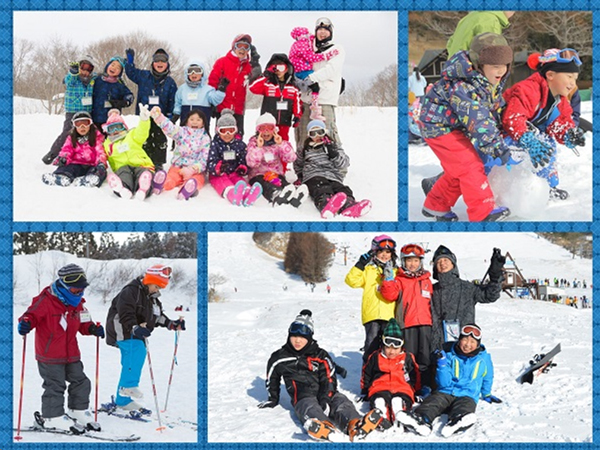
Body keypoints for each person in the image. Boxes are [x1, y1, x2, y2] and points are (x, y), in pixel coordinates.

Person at [419, 32, 516, 222]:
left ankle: (435, 206)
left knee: (457, 170)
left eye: (505, 66)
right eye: (495, 66)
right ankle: (483, 211)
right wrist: (496, 145)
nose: (501, 71)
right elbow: (478, 120)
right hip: (439, 128)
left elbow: (491, 110)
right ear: (480, 65)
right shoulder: (463, 86)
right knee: (470, 166)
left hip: (451, 127)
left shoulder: (486, 81)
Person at [258, 310, 384, 442]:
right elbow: (272, 378)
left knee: (341, 402)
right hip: (302, 397)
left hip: (326, 392)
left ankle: (355, 424)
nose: (298, 341)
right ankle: (324, 428)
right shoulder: (279, 357)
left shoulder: (320, 355)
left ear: (309, 337)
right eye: (294, 336)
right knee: (309, 408)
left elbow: (329, 378)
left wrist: (326, 398)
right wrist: (273, 399)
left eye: (302, 337)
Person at [17, 264, 105, 433]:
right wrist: (25, 323)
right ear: (64, 285)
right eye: (75, 290)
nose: (79, 293)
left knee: (81, 381)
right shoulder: (45, 300)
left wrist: (92, 328)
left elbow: (84, 322)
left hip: (71, 353)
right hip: (49, 354)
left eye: (81, 290)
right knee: (55, 385)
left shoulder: (78, 304)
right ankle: (52, 417)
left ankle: (77, 410)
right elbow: (30, 315)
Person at [502, 48, 585, 200]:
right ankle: (505, 188)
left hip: (529, 133)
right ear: (550, 75)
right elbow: (513, 118)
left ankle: (548, 186)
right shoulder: (528, 89)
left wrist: (568, 133)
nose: (573, 84)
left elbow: (560, 122)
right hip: (503, 135)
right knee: (516, 154)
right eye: (569, 77)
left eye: (575, 78)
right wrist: (528, 140)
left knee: (547, 145)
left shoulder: (560, 100)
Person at [396, 324, 501, 438]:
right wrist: (442, 365)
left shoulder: (484, 359)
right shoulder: (449, 354)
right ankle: (421, 420)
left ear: (478, 344)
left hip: (467, 394)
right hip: (446, 391)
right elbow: (444, 383)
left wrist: (487, 393)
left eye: (472, 342)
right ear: (459, 340)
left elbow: (487, 377)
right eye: (465, 340)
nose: (468, 344)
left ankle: (458, 421)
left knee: (465, 406)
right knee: (433, 402)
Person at [105, 264, 185, 411]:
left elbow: (157, 316)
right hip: (121, 328)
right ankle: (128, 387)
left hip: (137, 331)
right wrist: (134, 327)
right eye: (156, 286)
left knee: (130, 360)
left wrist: (172, 324)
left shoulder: (152, 298)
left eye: (160, 288)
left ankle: (123, 400)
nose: (157, 290)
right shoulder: (131, 291)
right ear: (149, 280)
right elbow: (125, 313)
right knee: (137, 350)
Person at [430, 245, 504, 353]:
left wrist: (495, 276)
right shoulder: (431, 291)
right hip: (437, 349)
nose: (442, 263)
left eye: (446, 260)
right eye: (438, 262)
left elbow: (490, 295)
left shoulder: (467, 288)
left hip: (464, 347)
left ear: (453, 264)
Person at [380, 243, 434, 386]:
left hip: (425, 323)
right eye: (409, 261)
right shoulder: (400, 279)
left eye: (416, 260)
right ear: (403, 262)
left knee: (425, 356)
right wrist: (388, 280)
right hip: (407, 323)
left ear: (420, 262)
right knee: (410, 356)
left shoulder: (426, 280)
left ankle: (425, 385)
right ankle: (410, 384)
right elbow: (390, 295)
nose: (412, 264)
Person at [294, 119, 371, 218]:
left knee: (341, 189)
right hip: (313, 175)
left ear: (325, 132)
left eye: (320, 132)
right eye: (313, 133)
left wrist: (334, 154)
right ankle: (326, 203)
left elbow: (344, 163)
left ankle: (349, 205)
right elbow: (298, 163)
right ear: (309, 135)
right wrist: (300, 176)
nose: (317, 136)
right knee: (320, 187)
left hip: (333, 175)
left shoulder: (334, 146)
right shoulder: (304, 148)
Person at [295, 18, 345, 152]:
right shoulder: (309, 49)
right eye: (320, 30)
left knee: (326, 132)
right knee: (304, 133)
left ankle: (336, 164)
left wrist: (310, 79)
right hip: (306, 98)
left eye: (326, 30)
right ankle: (304, 165)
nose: (322, 33)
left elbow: (330, 69)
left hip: (324, 98)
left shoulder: (336, 49)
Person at [344, 235, 398, 361]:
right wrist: (360, 264)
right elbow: (351, 281)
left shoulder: (396, 271)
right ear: (374, 252)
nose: (384, 255)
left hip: (389, 315)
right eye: (381, 252)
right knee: (371, 346)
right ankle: (368, 376)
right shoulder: (368, 270)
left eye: (388, 252)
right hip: (372, 315)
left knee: (389, 348)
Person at [124, 48, 178, 170]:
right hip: (145, 117)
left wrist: (170, 116)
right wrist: (130, 61)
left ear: (167, 64)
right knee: (144, 138)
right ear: (152, 63)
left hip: (160, 118)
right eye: (156, 60)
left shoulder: (170, 82)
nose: (159, 63)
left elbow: (172, 100)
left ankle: (158, 164)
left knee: (159, 140)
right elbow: (131, 72)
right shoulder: (144, 76)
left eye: (163, 61)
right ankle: (144, 161)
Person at [361, 318, 420, 426]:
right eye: (388, 347)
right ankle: (381, 415)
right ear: (383, 345)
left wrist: (415, 390)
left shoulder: (407, 357)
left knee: (398, 400)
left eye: (395, 348)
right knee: (379, 399)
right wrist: (365, 390)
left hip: (402, 388)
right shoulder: (375, 357)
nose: (391, 351)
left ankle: (400, 415)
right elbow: (367, 374)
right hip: (380, 387)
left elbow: (414, 374)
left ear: (401, 346)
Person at [42, 56, 96, 165]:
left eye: (88, 70)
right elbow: (68, 81)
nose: (85, 72)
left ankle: (82, 156)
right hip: (73, 111)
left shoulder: (92, 80)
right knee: (68, 133)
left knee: (87, 134)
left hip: (86, 112)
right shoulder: (73, 78)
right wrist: (73, 72)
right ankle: (53, 154)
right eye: (83, 68)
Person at [246, 113, 308, 207]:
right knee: (264, 185)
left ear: (274, 130)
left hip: (275, 174)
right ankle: (276, 194)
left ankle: (294, 195)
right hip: (258, 175)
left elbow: (291, 158)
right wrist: (259, 147)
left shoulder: (278, 142)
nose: (266, 132)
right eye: (263, 128)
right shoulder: (253, 142)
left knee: (283, 182)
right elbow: (251, 163)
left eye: (269, 128)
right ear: (258, 130)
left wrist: (281, 144)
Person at [149, 106, 211, 200]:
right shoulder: (182, 132)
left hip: (195, 170)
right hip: (178, 166)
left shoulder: (205, 138)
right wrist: (159, 117)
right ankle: (160, 185)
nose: (195, 122)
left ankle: (187, 190)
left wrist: (193, 169)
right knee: (172, 177)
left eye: (198, 119)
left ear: (203, 123)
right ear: (187, 121)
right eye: (192, 119)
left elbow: (204, 158)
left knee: (196, 180)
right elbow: (170, 128)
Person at [208, 34, 262, 137]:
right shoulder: (222, 62)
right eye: (239, 45)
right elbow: (212, 82)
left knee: (237, 139)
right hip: (222, 108)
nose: (242, 49)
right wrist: (212, 103)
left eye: (246, 46)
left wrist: (256, 65)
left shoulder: (248, 66)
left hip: (238, 110)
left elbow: (256, 85)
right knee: (221, 138)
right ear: (234, 46)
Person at [206, 109, 262, 207]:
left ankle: (248, 193)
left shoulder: (239, 145)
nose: (227, 134)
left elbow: (243, 158)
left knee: (240, 181)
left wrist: (242, 167)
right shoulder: (215, 144)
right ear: (218, 131)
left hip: (234, 172)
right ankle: (232, 194)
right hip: (218, 174)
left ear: (235, 130)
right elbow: (210, 160)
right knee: (223, 182)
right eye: (223, 131)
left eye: (230, 130)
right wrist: (218, 167)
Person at [41, 111, 107, 188]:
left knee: (100, 171)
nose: (82, 127)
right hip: (76, 163)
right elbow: (67, 149)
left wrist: (101, 163)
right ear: (74, 126)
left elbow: (100, 151)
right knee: (68, 167)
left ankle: (91, 179)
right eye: (78, 124)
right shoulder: (71, 137)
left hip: (92, 165)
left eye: (85, 123)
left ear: (90, 124)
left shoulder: (97, 137)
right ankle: (62, 176)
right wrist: (64, 158)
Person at [103, 106, 155, 200]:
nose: (115, 131)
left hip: (140, 164)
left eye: (118, 127)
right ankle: (122, 189)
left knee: (144, 174)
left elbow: (142, 132)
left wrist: (144, 121)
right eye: (112, 128)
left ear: (124, 127)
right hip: (122, 167)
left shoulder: (132, 135)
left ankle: (143, 189)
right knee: (124, 175)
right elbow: (101, 155)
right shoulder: (107, 144)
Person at [289, 26, 339, 122]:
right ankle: (315, 110)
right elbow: (311, 57)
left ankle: (302, 107)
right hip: (304, 70)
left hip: (298, 71)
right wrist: (327, 56)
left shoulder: (296, 44)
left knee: (302, 89)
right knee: (315, 87)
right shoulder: (303, 44)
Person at [249, 53, 302, 143]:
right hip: (268, 122)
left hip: (284, 121)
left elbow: (297, 102)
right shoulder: (267, 84)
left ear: (287, 68)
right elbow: (253, 88)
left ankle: (283, 157)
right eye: (275, 68)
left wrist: (297, 115)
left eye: (281, 68)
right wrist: (266, 75)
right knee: (267, 142)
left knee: (283, 142)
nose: (278, 71)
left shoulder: (293, 87)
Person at [173, 61, 226, 130]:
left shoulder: (207, 90)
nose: (193, 73)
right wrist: (176, 115)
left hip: (202, 127)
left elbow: (215, 100)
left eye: (197, 71)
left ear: (202, 74)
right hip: (185, 127)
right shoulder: (182, 89)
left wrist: (221, 91)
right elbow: (178, 103)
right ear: (187, 74)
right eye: (190, 71)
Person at [446, 11, 515, 58]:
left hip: (454, 69)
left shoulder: (471, 17)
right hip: (471, 73)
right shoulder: (490, 21)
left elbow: (450, 44)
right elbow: (489, 56)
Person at [91, 56, 134, 129]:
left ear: (120, 72)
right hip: (94, 119)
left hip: (112, 122)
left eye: (118, 68)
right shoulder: (97, 80)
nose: (114, 68)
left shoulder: (119, 84)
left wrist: (123, 102)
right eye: (112, 65)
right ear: (107, 66)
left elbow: (130, 96)